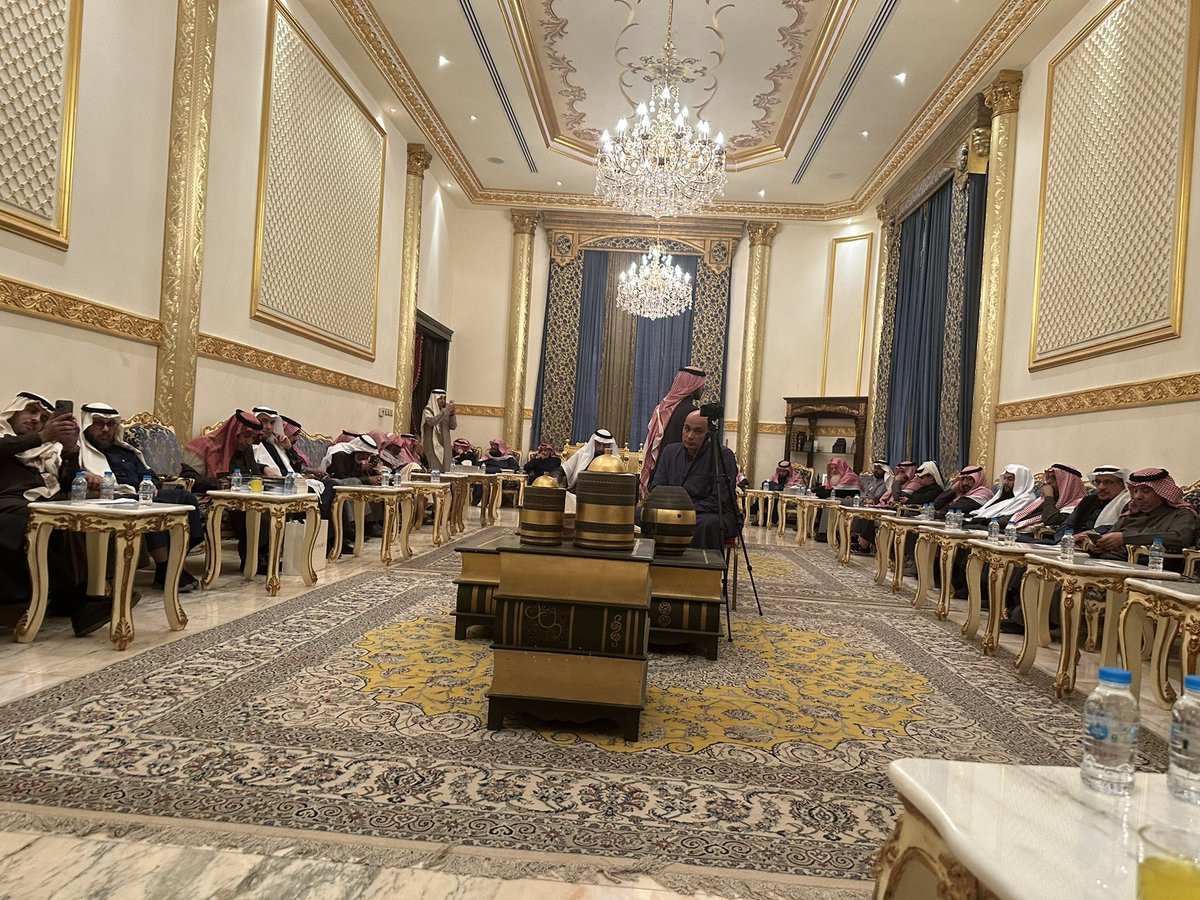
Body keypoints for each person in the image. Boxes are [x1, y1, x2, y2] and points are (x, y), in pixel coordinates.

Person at [0, 392, 110, 634]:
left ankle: (85, 593)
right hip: (9, 503)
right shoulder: (5, 438)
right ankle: (76, 602)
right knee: (40, 519)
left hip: (45, 499)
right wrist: (41, 437)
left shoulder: (44, 451)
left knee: (78, 512)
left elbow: (69, 484)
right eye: (31, 411)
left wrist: (69, 449)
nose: (35, 419)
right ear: (13, 412)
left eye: (42, 417)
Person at [79, 402, 203, 592]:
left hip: (141, 494)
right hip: (110, 499)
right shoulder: (80, 451)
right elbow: (72, 475)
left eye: (110, 424)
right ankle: (164, 568)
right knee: (150, 506)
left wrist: (151, 485)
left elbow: (149, 474)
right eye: (99, 424)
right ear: (87, 425)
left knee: (187, 499)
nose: (105, 429)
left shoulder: (125, 451)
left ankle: (176, 563)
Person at [649, 411, 739, 550]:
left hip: (711, 513)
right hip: (672, 510)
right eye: (687, 429)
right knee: (639, 515)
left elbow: (720, 500)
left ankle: (702, 565)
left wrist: (685, 511)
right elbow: (657, 488)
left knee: (706, 524)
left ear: (709, 434)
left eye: (698, 431)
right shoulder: (670, 452)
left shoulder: (723, 456)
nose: (690, 436)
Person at [1079, 468, 1197, 558]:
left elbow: (1180, 539)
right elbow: (1110, 536)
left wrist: (1125, 539)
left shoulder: (1181, 514)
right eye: (1135, 491)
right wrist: (1098, 545)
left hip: (1148, 568)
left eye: (1145, 491)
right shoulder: (1130, 515)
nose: (1137, 497)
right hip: (1108, 562)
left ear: (1161, 493)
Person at [639, 365, 707, 496]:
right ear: (693, 385)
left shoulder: (662, 409)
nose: (702, 389)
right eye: (701, 385)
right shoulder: (692, 413)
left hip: (658, 474)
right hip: (680, 477)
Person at [182, 410, 266, 490]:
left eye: (253, 438)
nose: (249, 442)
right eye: (246, 435)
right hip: (207, 496)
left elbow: (256, 476)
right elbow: (187, 478)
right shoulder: (203, 446)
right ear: (235, 432)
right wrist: (222, 484)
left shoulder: (247, 449)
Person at [1007, 463, 1087, 533]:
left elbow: (1051, 521)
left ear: (1068, 484)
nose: (1048, 482)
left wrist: (1049, 496)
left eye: (1054, 478)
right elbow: (1023, 516)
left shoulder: (1078, 505)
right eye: (1048, 477)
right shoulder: (1052, 500)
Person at [963, 463, 1036, 528]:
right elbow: (983, 511)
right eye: (1004, 478)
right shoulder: (1003, 494)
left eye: (1010, 479)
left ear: (1021, 482)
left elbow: (1005, 519)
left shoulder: (1026, 498)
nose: (1005, 482)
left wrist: (978, 520)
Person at [421, 389, 457, 471]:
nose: (443, 401)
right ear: (434, 399)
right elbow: (431, 422)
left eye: (444, 398)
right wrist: (445, 412)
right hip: (432, 445)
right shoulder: (428, 411)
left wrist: (452, 415)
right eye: (440, 398)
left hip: (445, 445)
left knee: (445, 469)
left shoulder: (445, 411)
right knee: (434, 469)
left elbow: (453, 426)